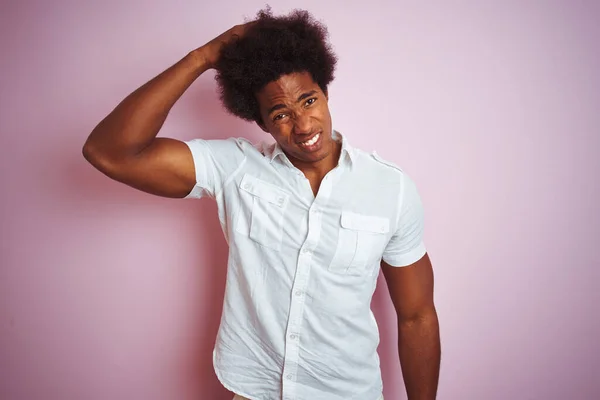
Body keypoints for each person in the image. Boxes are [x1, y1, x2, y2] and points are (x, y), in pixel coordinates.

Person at [82, 8, 440, 400]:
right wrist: (202, 57)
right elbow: (111, 152)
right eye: (281, 113)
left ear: (325, 92)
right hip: (254, 391)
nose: (302, 125)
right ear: (261, 122)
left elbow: (417, 316)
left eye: (308, 100)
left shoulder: (390, 187)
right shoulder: (236, 168)